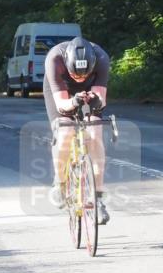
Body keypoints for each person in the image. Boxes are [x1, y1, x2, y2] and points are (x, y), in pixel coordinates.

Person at [44, 36, 112, 224]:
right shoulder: (54, 59)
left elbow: (101, 98)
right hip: (62, 91)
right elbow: (61, 104)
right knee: (65, 132)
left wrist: (95, 100)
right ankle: (60, 183)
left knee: (95, 133)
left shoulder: (102, 59)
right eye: (76, 75)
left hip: (89, 91)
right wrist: (74, 101)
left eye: (83, 75)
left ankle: (98, 199)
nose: (80, 79)